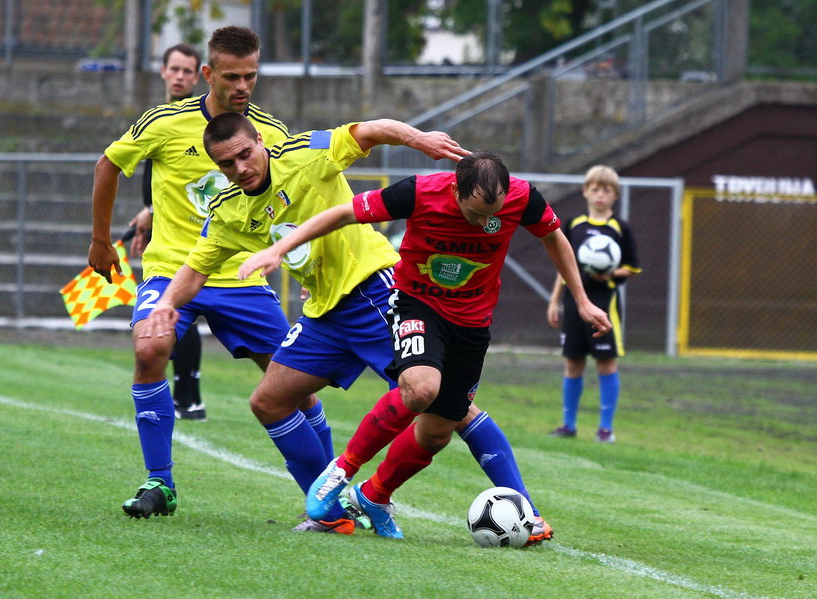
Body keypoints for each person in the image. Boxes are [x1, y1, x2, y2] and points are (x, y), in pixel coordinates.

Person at [141, 115, 569, 542]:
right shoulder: (229, 210)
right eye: (227, 165)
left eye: (245, 154)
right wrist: (165, 302)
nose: (240, 168)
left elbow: (369, 130)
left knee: (446, 408)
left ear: (260, 141)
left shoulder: (307, 154)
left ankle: (526, 513)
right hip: (325, 312)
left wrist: (419, 139)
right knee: (269, 402)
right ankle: (330, 511)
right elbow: (196, 268)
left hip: (374, 292)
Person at [244, 151, 612, 539]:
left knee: (438, 432)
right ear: (455, 190)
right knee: (420, 388)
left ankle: (374, 495)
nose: (485, 221)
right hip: (416, 304)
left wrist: (583, 300)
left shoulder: (523, 197)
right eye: (474, 213)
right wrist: (279, 249)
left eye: (494, 213)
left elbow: (554, 237)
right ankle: (343, 470)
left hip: (472, 323)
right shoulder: (419, 192)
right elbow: (342, 213)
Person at [88, 26, 330, 521]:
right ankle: (161, 481)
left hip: (240, 277)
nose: (243, 87)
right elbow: (108, 165)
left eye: (251, 76)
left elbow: (301, 198)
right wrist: (98, 240)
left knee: (295, 387)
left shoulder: (269, 132)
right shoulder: (164, 122)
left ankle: (333, 494)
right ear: (208, 74)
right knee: (149, 347)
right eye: (232, 77)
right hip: (172, 270)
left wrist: (312, 265)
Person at [121, 43, 207, 421]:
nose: (180, 77)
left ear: (198, 76)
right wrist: (148, 212)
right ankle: (187, 395)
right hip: (162, 225)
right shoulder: (157, 117)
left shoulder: (200, 118)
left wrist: (154, 212)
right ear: (162, 71)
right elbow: (155, 176)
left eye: (187, 71)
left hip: (191, 232)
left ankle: (188, 393)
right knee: (172, 313)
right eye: (174, 69)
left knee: (174, 310)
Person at [547, 165, 641, 444]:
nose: (601, 195)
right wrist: (554, 301)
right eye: (595, 189)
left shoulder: (620, 228)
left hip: (604, 302)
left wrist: (610, 273)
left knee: (606, 363)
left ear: (615, 195)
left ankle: (605, 429)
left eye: (607, 190)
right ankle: (568, 425)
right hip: (573, 302)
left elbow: (633, 268)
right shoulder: (574, 224)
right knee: (573, 362)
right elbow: (563, 265)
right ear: (585, 192)